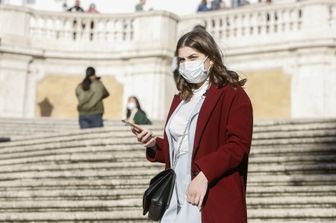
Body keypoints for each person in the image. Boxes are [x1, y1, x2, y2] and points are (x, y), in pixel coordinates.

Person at [131, 29, 253, 222]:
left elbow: (238, 146)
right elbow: (183, 149)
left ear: (211, 59)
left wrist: (205, 174)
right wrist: (154, 144)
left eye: (193, 57)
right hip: (175, 191)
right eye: (182, 60)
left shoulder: (233, 94)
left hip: (210, 191)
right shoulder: (181, 100)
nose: (186, 64)